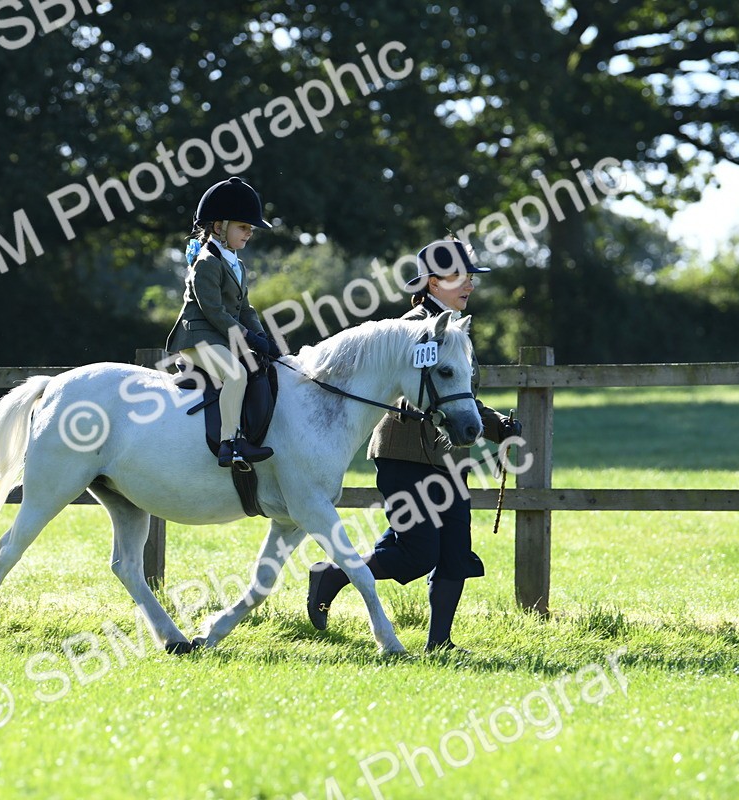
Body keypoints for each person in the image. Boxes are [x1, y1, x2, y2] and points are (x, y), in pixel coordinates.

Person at [305, 238, 521, 652]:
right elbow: (417, 391)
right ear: (432, 283)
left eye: (471, 277)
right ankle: (332, 575)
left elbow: (456, 395)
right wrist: (492, 425)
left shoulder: (456, 328)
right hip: (404, 453)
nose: (469, 285)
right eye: (460, 277)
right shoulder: (411, 329)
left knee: (455, 551)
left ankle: (440, 643)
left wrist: (496, 425)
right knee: (417, 552)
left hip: (447, 457)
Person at [165, 176, 283, 467]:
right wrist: (246, 337)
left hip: (219, 336)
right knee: (236, 374)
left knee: (261, 366)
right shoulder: (206, 262)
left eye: (250, 228)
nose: (249, 233)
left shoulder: (236, 264)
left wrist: (264, 338)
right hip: (196, 338)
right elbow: (214, 311)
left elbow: (246, 309)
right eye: (243, 227)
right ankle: (231, 444)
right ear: (219, 227)